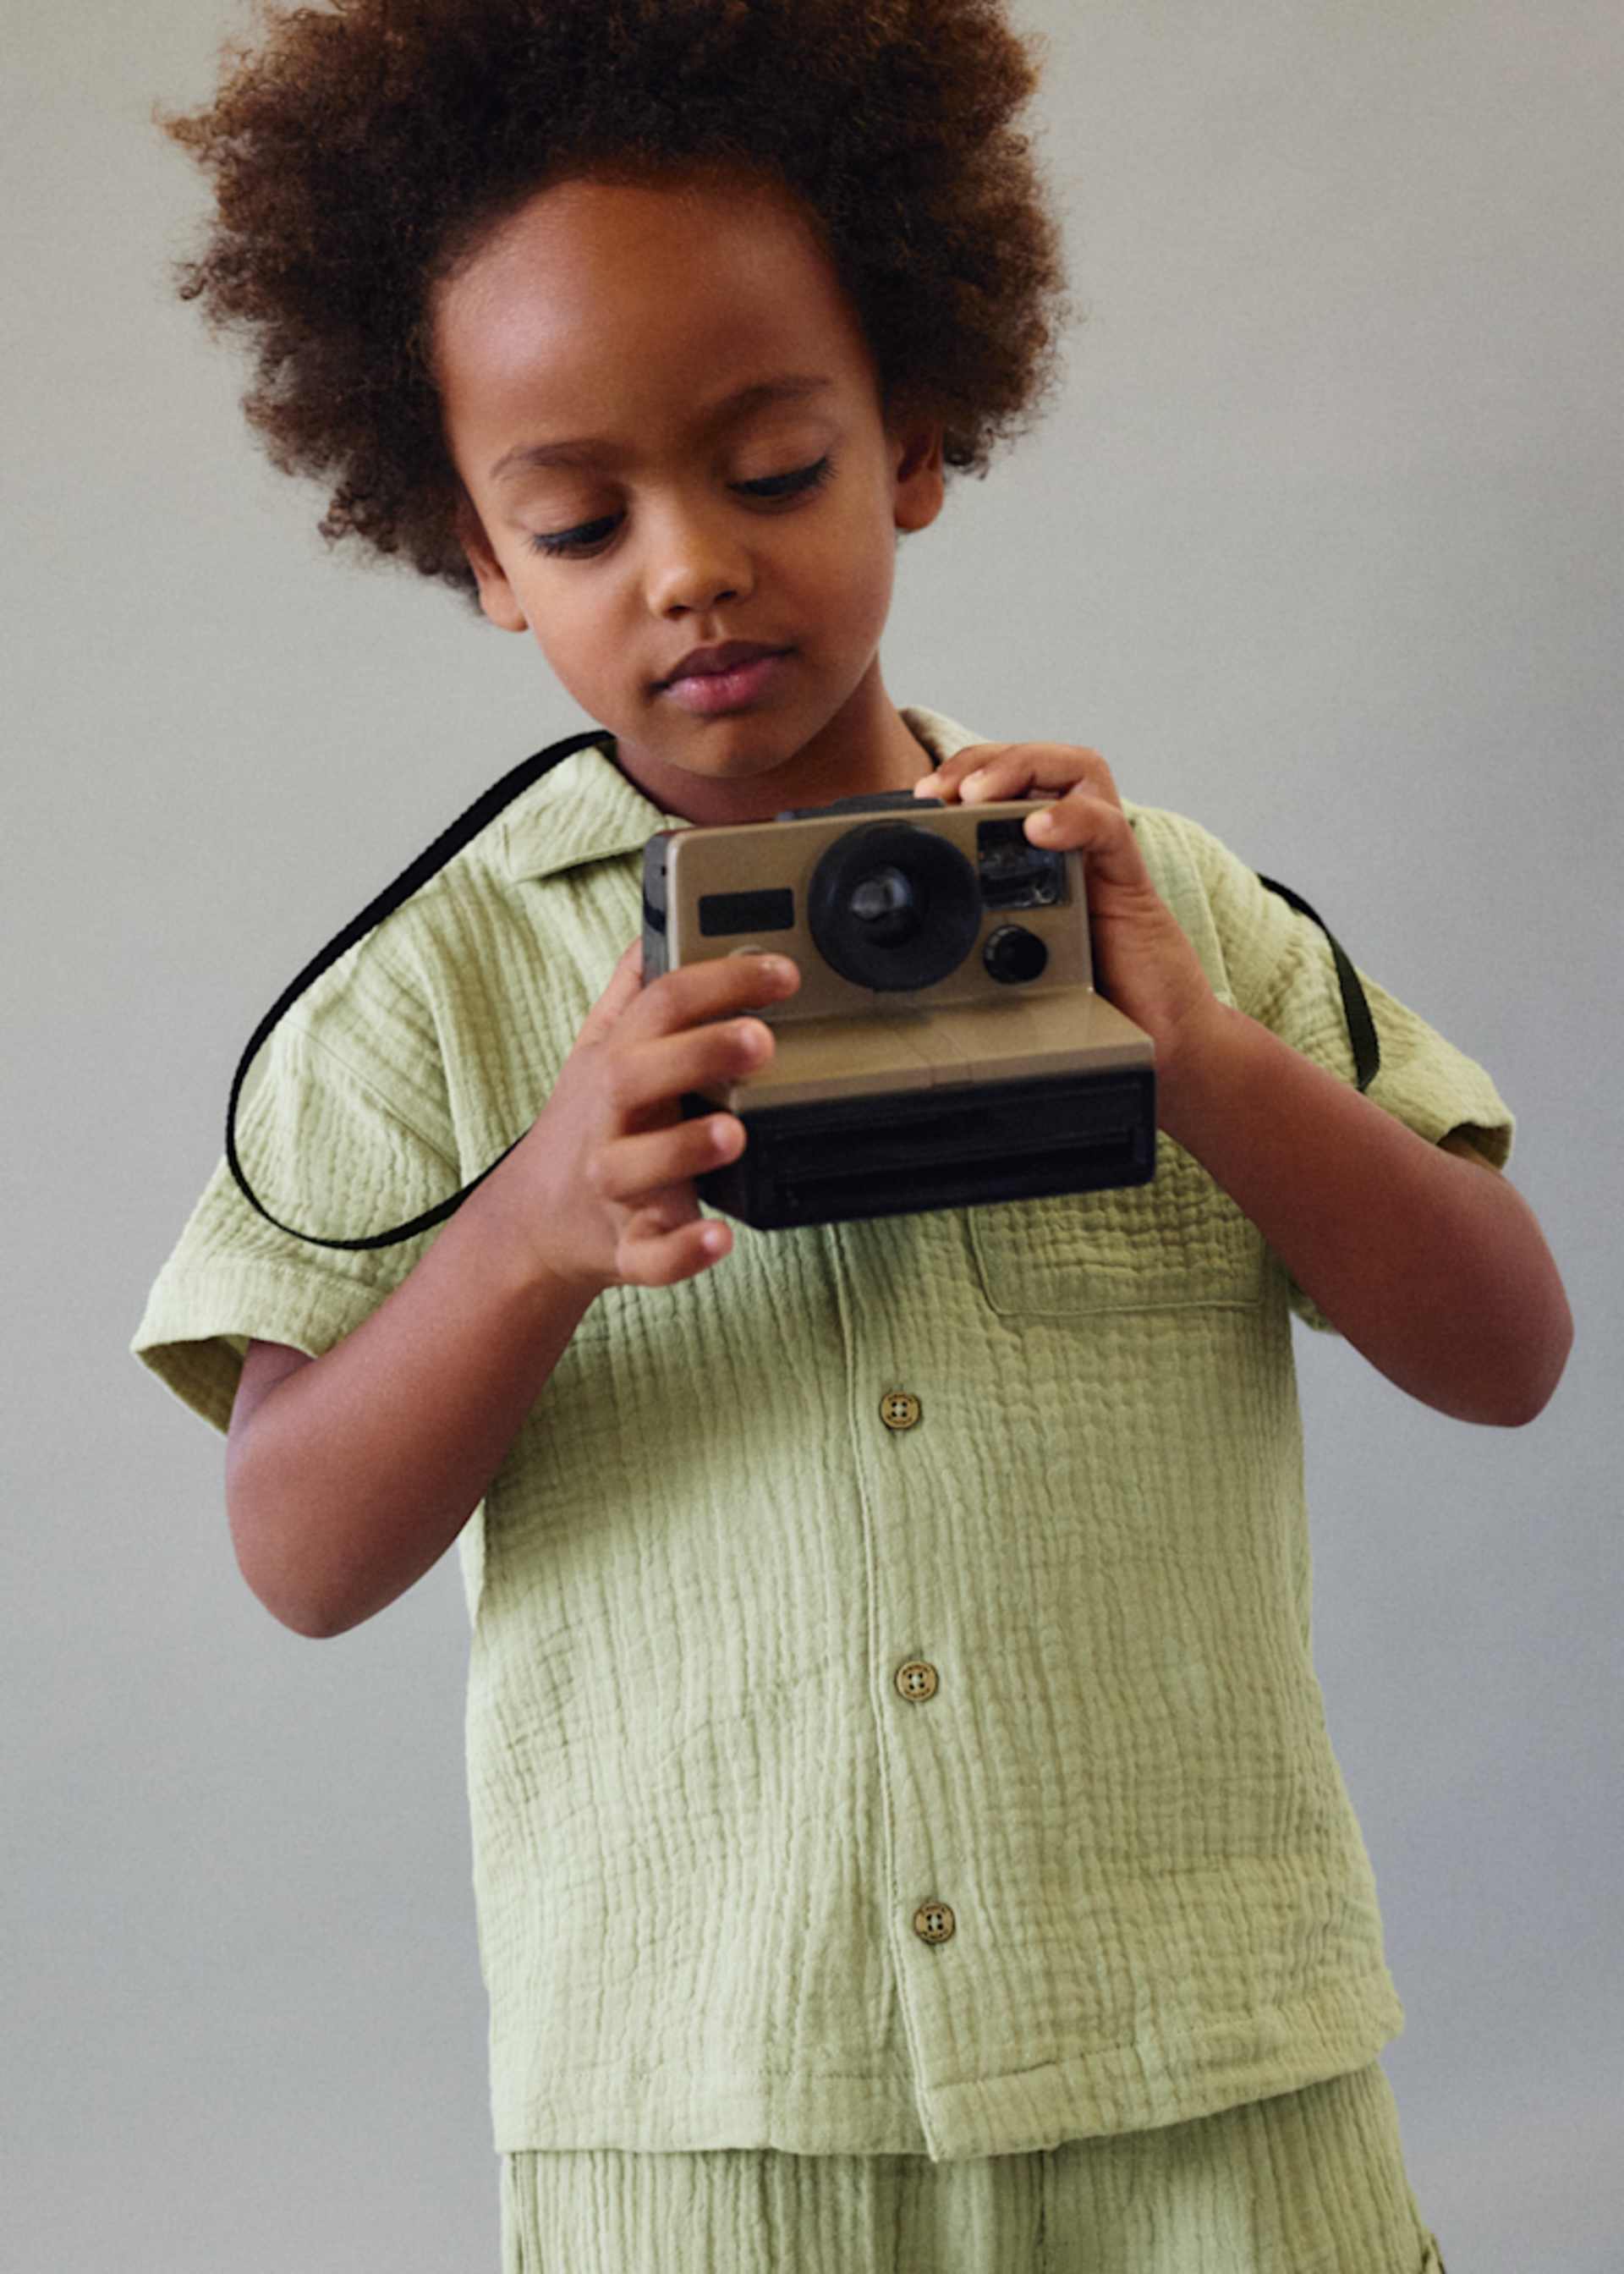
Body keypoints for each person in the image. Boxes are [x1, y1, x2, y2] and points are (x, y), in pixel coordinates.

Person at [132, 3, 1572, 2267]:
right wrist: (528, 1232)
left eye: (774, 469)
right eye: (581, 519)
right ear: (477, 551)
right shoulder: (422, 1009)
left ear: (912, 434)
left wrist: (1195, 1051)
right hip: (708, 2121)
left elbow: (1509, 1349)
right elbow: (296, 1555)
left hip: (1209, 2075)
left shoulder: (1164, 913)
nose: (689, 567)